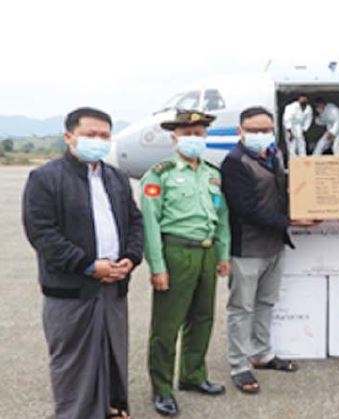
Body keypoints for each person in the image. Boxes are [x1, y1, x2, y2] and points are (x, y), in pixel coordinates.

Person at [22, 107, 144, 419]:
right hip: (72, 289)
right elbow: (43, 234)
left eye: (104, 135)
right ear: (69, 137)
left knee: (112, 353)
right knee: (74, 363)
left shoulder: (116, 178)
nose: (98, 141)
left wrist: (130, 258)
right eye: (90, 134)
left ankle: (110, 408)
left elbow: (135, 222)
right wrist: (89, 265)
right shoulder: (46, 178)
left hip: (114, 285)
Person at [141, 110, 231, 416]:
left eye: (199, 133)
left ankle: (193, 375)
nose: (193, 138)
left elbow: (221, 217)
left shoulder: (212, 174)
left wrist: (223, 254)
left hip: (207, 252)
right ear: (174, 138)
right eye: (187, 133)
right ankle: (162, 388)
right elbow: (150, 224)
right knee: (167, 325)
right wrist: (157, 266)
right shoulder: (160, 174)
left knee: (203, 318)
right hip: (176, 252)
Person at [220, 106, 315, 394]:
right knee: (241, 308)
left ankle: (261, 353)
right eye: (254, 130)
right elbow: (245, 209)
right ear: (240, 131)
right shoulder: (234, 162)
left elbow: (284, 193)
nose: (261, 134)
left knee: (266, 303)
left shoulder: (275, 154)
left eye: (266, 130)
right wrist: (291, 221)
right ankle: (239, 364)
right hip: (247, 248)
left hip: (274, 245)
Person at [282, 93, 313, 158]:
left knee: (302, 144)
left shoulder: (308, 108)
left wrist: (304, 130)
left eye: (305, 99)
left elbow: (308, 120)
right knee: (292, 146)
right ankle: (293, 161)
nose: (303, 100)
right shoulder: (291, 107)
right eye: (302, 99)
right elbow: (287, 119)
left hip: (299, 126)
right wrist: (290, 132)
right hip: (290, 126)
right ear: (299, 99)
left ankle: (303, 159)